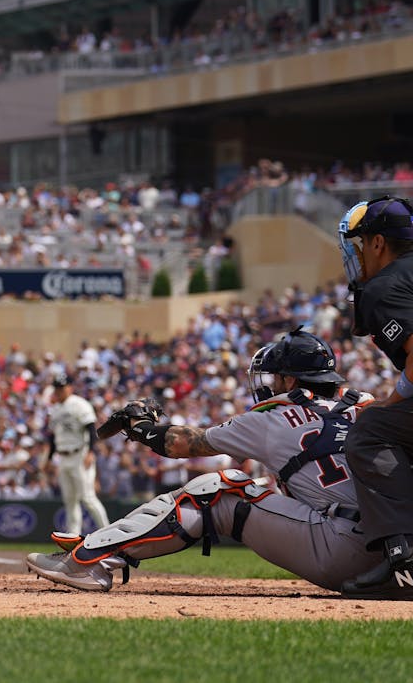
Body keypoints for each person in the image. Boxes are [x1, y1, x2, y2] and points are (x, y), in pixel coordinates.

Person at [27, 329, 382, 593]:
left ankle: (90, 559)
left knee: (218, 487)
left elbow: (183, 443)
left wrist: (143, 428)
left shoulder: (274, 417)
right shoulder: (369, 405)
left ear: (290, 378)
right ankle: (105, 542)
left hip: (342, 550)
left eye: (276, 376)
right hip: (394, 552)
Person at [336, 196, 413, 598]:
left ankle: (405, 559)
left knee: (371, 430)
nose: (357, 252)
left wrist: (392, 400)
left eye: (360, 243)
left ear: (378, 242)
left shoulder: (385, 286)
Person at [45, 370, 110, 535]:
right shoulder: (56, 409)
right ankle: (72, 540)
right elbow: (54, 437)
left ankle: (109, 534)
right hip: (63, 457)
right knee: (70, 501)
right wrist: (49, 458)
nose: (59, 391)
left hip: (80, 455)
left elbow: (91, 429)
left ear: (70, 388)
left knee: (87, 498)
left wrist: (91, 452)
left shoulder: (80, 404)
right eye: (57, 388)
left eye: (62, 387)